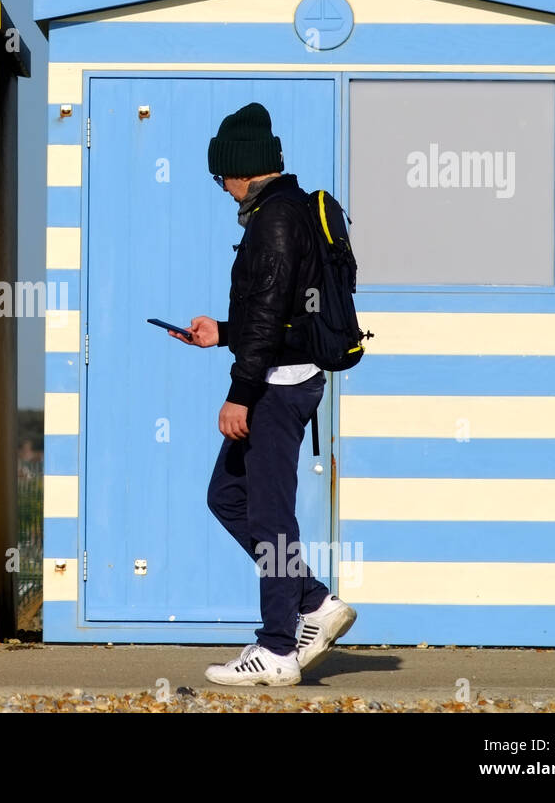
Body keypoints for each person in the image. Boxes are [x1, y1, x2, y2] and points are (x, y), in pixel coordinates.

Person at [170, 102, 356, 686]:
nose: (221, 189)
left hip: (278, 386)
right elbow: (269, 316)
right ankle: (313, 601)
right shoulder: (284, 211)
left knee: (272, 517)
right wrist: (220, 333)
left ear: (243, 170)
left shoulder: (275, 218)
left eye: (221, 176)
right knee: (228, 495)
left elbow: (272, 315)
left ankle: (278, 649)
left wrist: (239, 395)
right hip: (278, 375)